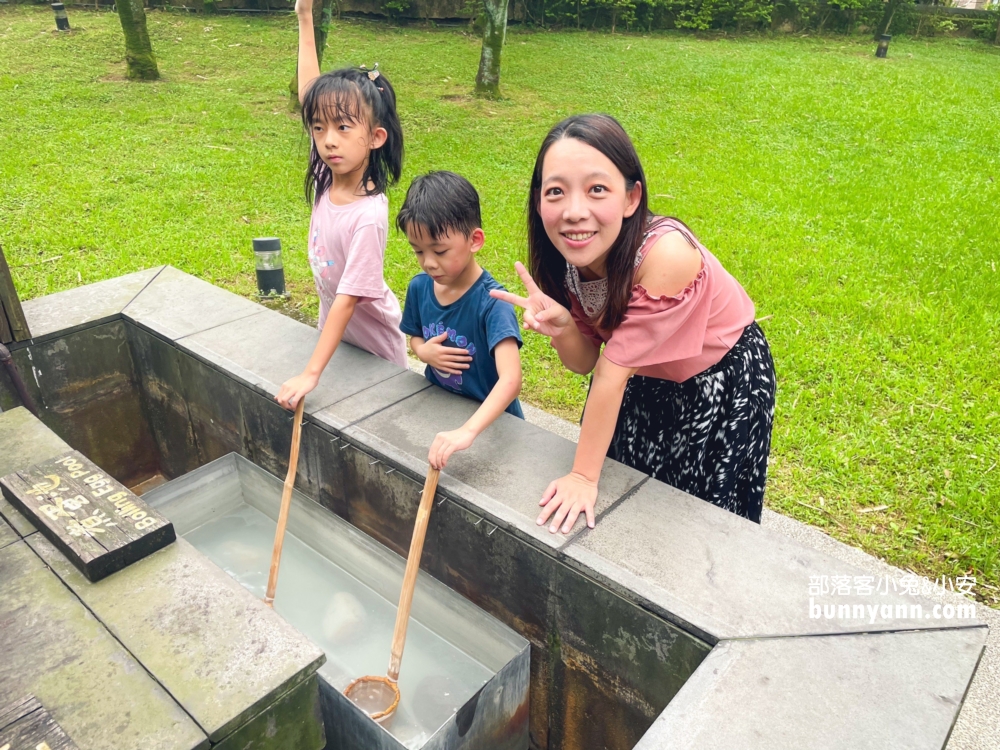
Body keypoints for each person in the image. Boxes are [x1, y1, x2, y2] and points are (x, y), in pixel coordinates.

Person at [491, 114, 776, 533]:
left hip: (718, 378)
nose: (573, 212)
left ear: (631, 198)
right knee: (627, 498)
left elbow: (609, 372)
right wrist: (566, 327)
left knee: (696, 518)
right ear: (538, 202)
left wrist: (583, 477)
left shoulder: (667, 256)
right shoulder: (571, 259)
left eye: (597, 190)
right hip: (642, 376)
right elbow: (587, 361)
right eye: (556, 191)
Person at [276, 0, 407, 410]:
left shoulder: (368, 215)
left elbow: (349, 299)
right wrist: (305, 18)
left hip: (376, 353)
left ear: (375, 137)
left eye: (343, 127)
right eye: (319, 128)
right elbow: (309, 95)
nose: (328, 139)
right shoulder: (328, 173)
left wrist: (311, 373)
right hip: (339, 339)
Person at [397, 171, 524, 470]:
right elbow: (414, 335)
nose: (428, 262)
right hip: (440, 409)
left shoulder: (493, 304)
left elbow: (511, 378)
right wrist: (423, 351)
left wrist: (468, 431)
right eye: (418, 251)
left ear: (474, 240)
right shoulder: (420, 287)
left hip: (491, 424)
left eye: (439, 251)